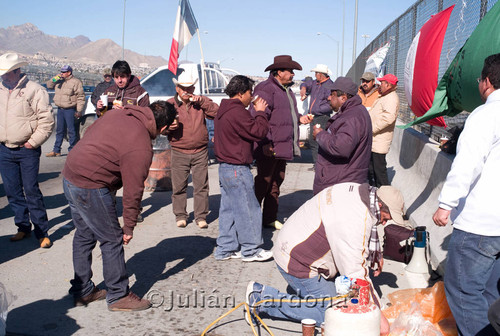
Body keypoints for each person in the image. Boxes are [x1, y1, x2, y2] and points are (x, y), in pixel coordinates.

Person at [246, 183, 405, 335]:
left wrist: (374, 254)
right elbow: (355, 274)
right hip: (296, 261)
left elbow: (361, 238)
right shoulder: (354, 220)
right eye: (386, 217)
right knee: (333, 314)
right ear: (379, 206)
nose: (384, 222)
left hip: (293, 243)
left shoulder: (361, 193)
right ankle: (261, 299)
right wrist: (378, 317)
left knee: (346, 300)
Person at [62, 100, 177, 311]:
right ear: (162, 128)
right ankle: (118, 295)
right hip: (90, 184)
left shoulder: (119, 113)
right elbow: (133, 192)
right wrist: (129, 226)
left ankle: (83, 290)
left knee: (84, 234)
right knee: (112, 238)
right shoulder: (141, 146)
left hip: (71, 173)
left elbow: (90, 134)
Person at [433, 53, 500, 336]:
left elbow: (467, 164)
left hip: (480, 222)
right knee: (490, 294)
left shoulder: (485, 115)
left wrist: (445, 205)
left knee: (463, 293)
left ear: (486, 82)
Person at [213, 75, 273, 262]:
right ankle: (251, 249)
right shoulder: (237, 111)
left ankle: (226, 248)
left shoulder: (223, 110)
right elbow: (258, 131)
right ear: (240, 93)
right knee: (248, 208)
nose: (251, 96)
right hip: (237, 168)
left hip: (225, 168)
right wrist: (261, 112)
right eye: (249, 92)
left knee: (229, 209)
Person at [250, 55, 313, 230]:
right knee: (264, 182)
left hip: (282, 146)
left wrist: (301, 119)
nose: (293, 74)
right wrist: (264, 143)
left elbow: (286, 116)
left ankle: (269, 218)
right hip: (269, 146)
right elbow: (258, 117)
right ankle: (250, 219)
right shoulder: (265, 89)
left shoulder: (286, 90)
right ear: (279, 72)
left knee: (276, 181)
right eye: (290, 71)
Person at [0, 53, 54, 248]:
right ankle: (22, 227)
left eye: (6, 74)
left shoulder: (34, 90)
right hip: (4, 149)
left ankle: (42, 231)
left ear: (17, 71)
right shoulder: (0, 89)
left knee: (31, 190)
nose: (3, 77)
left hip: (27, 149)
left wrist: (33, 142)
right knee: (12, 191)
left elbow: (46, 121)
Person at [166, 71, 218, 228]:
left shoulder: (200, 102)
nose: (187, 92)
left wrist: (202, 102)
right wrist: (169, 128)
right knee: (179, 186)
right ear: (177, 88)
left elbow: (216, 112)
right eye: (183, 88)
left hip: (200, 151)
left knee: (201, 186)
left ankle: (201, 216)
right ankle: (180, 215)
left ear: (194, 88)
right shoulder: (169, 104)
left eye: (190, 88)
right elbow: (160, 127)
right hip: (179, 151)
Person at [312, 77, 372, 195]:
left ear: (343, 98)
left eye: (332, 95)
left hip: (340, 184)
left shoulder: (352, 117)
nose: (329, 98)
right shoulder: (353, 112)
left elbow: (340, 147)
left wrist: (320, 135)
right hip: (342, 179)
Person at [45, 65, 85, 157]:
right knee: (59, 130)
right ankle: (56, 150)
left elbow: (80, 97)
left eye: (64, 72)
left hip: (70, 109)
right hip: (60, 109)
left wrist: (79, 110)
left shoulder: (76, 82)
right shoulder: (59, 81)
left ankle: (72, 150)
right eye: (61, 72)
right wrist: (55, 78)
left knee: (71, 130)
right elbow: (49, 85)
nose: (62, 73)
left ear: (69, 72)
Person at [300, 64, 335, 167]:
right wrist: (303, 88)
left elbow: (330, 105)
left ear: (321, 74)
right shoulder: (316, 83)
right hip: (315, 116)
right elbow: (306, 84)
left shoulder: (330, 86)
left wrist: (317, 110)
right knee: (313, 140)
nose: (315, 75)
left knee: (320, 140)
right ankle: (317, 163)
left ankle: (321, 163)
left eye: (316, 73)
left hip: (322, 117)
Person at [368, 73, 399, 187]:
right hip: (375, 140)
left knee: (379, 172)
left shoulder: (391, 98)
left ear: (388, 85)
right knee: (372, 170)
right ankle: (375, 193)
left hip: (379, 141)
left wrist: (371, 129)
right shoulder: (386, 96)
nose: (379, 85)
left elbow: (388, 118)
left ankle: (385, 196)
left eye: (382, 83)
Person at [79, 68, 114, 137]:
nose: (107, 77)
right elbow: (93, 97)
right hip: (99, 112)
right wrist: (97, 102)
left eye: (109, 76)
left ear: (112, 76)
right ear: (103, 76)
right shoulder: (99, 86)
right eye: (105, 76)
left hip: (110, 112)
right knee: (97, 130)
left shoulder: (115, 86)